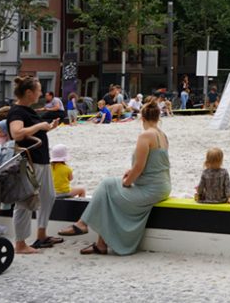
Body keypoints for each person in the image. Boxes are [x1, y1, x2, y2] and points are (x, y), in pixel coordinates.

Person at [60, 99, 171, 255]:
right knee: (109, 189)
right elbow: (154, 164)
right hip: (163, 186)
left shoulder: (145, 136)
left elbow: (139, 168)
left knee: (107, 185)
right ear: (158, 117)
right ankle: (100, 244)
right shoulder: (162, 135)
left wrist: (127, 182)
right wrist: (130, 172)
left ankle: (83, 223)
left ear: (142, 118)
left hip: (150, 190)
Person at [7, 75, 62, 254]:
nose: (41, 93)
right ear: (29, 92)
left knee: (49, 196)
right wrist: (39, 127)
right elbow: (17, 133)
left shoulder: (28, 110)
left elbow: (30, 131)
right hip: (29, 161)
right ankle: (20, 244)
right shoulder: (17, 111)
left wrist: (48, 127)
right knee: (25, 200)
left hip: (41, 159)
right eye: (38, 90)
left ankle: (41, 234)